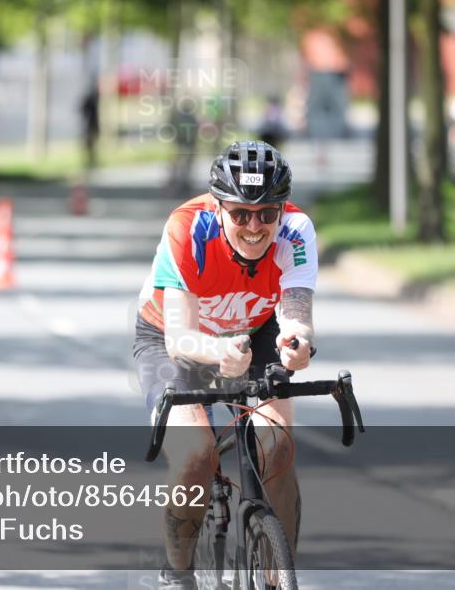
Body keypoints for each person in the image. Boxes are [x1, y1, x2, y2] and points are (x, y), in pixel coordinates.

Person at [134, 141, 317, 589]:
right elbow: (180, 337)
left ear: (281, 211)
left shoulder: (296, 230)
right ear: (217, 209)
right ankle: (176, 573)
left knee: (276, 445)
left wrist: (299, 344)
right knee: (196, 455)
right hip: (172, 339)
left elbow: (295, 313)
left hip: (254, 333)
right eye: (240, 214)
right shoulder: (187, 229)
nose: (255, 227)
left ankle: (278, 574)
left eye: (266, 213)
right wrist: (221, 353)